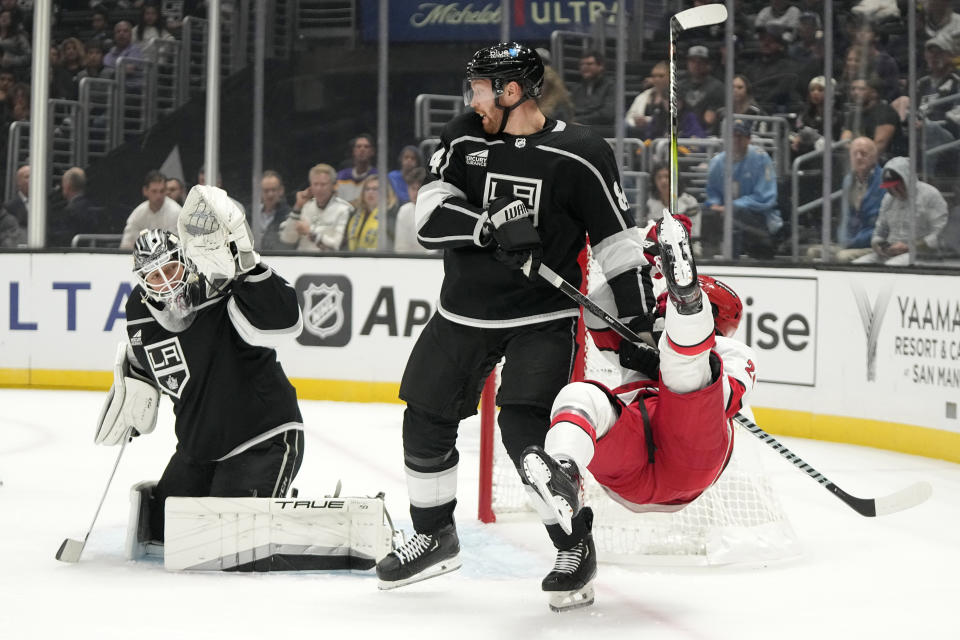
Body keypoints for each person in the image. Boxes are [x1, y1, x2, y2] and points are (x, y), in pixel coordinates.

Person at [374, 43, 653, 593]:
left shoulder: (581, 152)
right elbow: (427, 217)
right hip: (464, 312)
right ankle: (434, 536)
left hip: (543, 316)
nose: (471, 98)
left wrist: (641, 325)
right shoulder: (461, 137)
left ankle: (575, 547)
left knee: (526, 436)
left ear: (514, 91)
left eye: (481, 87)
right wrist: (488, 226)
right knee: (425, 416)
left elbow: (618, 244)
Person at [520, 211, 757, 611]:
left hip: (688, 458)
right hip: (631, 469)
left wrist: (657, 362)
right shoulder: (643, 332)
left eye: (670, 303)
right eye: (666, 301)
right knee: (580, 395)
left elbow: (723, 401)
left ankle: (689, 315)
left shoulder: (735, 353)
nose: (658, 310)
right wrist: (647, 258)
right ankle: (566, 474)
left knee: (689, 374)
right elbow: (596, 308)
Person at [95, 185, 305, 547]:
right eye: (155, 276)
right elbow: (146, 359)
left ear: (187, 259)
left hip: (261, 437)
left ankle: (282, 501)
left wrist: (248, 264)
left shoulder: (220, 284)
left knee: (224, 540)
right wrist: (131, 389)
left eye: (172, 268)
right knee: (162, 534)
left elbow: (286, 323)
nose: (167, 282)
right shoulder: (139, 312)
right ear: (142, 283)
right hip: (199, 446)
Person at [702, 119, 782, 259]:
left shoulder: (761, 158)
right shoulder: (718, 163)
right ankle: (708, 257)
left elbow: (765, 197)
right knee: (708, 214)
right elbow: (712, 193)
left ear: (749, 139)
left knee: (736, 216)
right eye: (733, 136)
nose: (736, 140)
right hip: (725, 214)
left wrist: (733, 206)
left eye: (741, 136)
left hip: (756, 215)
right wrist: (714, 204)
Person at [853, 157, 949, 265]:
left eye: (897, 186)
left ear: (907, 179)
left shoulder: (930, 195)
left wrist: (910, 247)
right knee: (857, 265)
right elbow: (880, 231)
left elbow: (940, 234)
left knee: (891, 267)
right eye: (889, 187)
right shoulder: (888, 198)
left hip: (922, 256)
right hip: (891, 254)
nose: (893, 190)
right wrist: (880, 246)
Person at [807, 137, 883, 262]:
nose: (858, 157)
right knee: (813, 252)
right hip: (849, 242)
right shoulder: (848, 180)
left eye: (863, 153)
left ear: (874, 158)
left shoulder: (882, 182)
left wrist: (854, 242)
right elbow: (846, 217)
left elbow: (880, 225)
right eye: (855, 154)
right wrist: (844, 240)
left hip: (872, 244)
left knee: (843, 257)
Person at [279, 163, 353, 251]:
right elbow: (287, 239)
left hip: (329, 261)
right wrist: (298, 207)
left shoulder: (344, 209)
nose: (319, 188)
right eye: (315, 184)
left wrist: (310, 232)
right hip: (302, 260)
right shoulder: (305, 206)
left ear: (333, 186)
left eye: (323, 184)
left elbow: (336, 246)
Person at [841, 74, 905, 161]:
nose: (855, 92)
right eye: (853, 89)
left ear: (874, 93)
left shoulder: (886, 112)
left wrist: (856, 151)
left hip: (887, 164)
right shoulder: (853, 115)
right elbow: (845, 142)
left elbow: (878, 147)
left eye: (861, 89)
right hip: (859, 160)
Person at [645, 163, 701, 251]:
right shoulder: (650, 203)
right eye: (659, 177)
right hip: (658, 249)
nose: (663, 181)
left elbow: (693, 233)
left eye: (667, 177)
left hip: (687, 248)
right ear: (654, 181)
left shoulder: (689, 202)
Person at [120, 170, 181, 249]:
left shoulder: (176, 212)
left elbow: (176, 244)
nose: (158, 196)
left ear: (166, 191)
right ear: (145, 191)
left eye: (161, 191)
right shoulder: (137, 214)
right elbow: (126, 246)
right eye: (154, 191)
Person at [343, 173, 397, 251]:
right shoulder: (354, 214)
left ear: (385, 192)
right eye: (367, 189)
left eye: (375, 189)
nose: (370, 192)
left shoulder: (391, 215)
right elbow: (345, 244)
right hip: (352, 260)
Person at [678, 45, 724, 132]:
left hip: (707, 135)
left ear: (707, 64)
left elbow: (710, 119)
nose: (696, 65)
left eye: (700, 62)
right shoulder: (680, 85)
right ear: (687, 63)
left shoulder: (717, 87)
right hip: (682, 132)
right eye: (693, 61)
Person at [49, 167, 99, 247]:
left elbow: (63, 239)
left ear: (67, 186)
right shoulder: (92, 206)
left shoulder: (70, 211)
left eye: (63, 184)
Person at [251, 170, 295, 251]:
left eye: (273, 190)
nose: (270, 194)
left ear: (281, 190)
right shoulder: (250, 214)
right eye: (266, 191)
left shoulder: (289, 216)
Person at [571, 50, 615, 131]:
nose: (584, 67)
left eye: (589, 64)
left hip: (602, 130)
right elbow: (570, 111)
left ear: (601, 66)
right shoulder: (577, 88)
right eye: (582, 64)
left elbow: (607, 114)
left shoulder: (611, 86)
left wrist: (579, 121)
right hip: (577, 128)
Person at [393, 167, 431, 253]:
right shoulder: (404, 211)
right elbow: (401, 248)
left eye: (418, 189)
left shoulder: (438, 210)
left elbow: (435, 250)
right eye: (412, 188)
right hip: (409, 262)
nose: (415, 193)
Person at [336, 134, 376, 203]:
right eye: (358, 146)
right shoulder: (341, 176)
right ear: (353, 151)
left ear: (372, 151)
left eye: (366, 147)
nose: (362, 149)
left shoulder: (378, 177)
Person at [2, 162, 27, 228]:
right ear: (18, 182)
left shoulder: (44, 205)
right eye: (27, 177)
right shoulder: (9, 206)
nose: (32, 180)